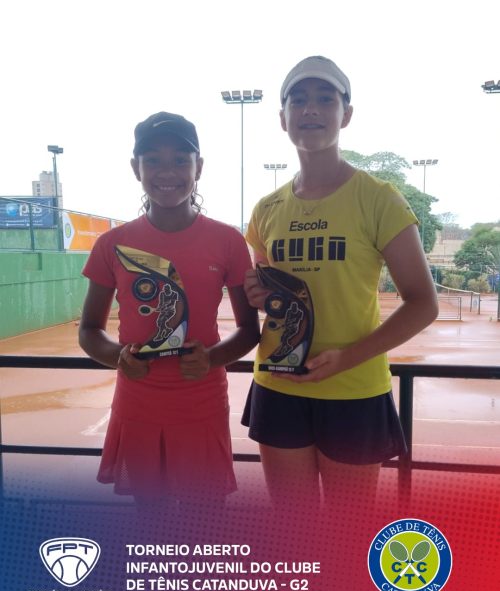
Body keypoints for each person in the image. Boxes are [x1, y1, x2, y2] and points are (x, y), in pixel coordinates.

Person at [242, 56, 438, 514]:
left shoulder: (379, 199)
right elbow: (270, 295)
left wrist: (347, 358)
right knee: (292, 526)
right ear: (283, 118)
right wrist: (259, 295)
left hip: (353, 388)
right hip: (280, 384)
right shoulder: (266, 209)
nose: (310, 108)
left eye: (325, 99)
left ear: (345, 114)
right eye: (298, 100)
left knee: (348, 531)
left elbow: (423, 303)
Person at [79, 112, 260, 509]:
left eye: (180, 159)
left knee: (206, 519)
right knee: (150, 519)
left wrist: (211, 358)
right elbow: (89, 330)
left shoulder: (227, 240)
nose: (167, 172)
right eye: (153, 160)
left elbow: (249, 329)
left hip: (202, 403)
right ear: (136, 168)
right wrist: (119, 357)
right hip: (138, 404)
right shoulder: (112, 244)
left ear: (199, 167)